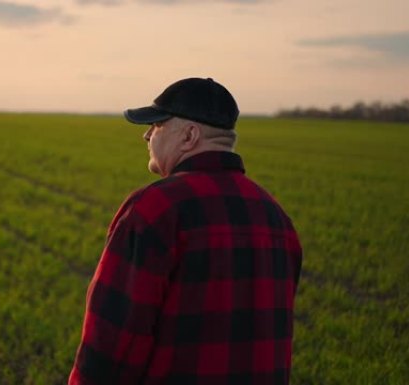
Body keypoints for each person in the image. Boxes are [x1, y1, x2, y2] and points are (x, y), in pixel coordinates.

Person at [69, 78, 303, 384]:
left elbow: (114, 341)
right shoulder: (276, 219)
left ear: (189, 135)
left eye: (157, 126)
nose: (146, 135)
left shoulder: (155, 209)